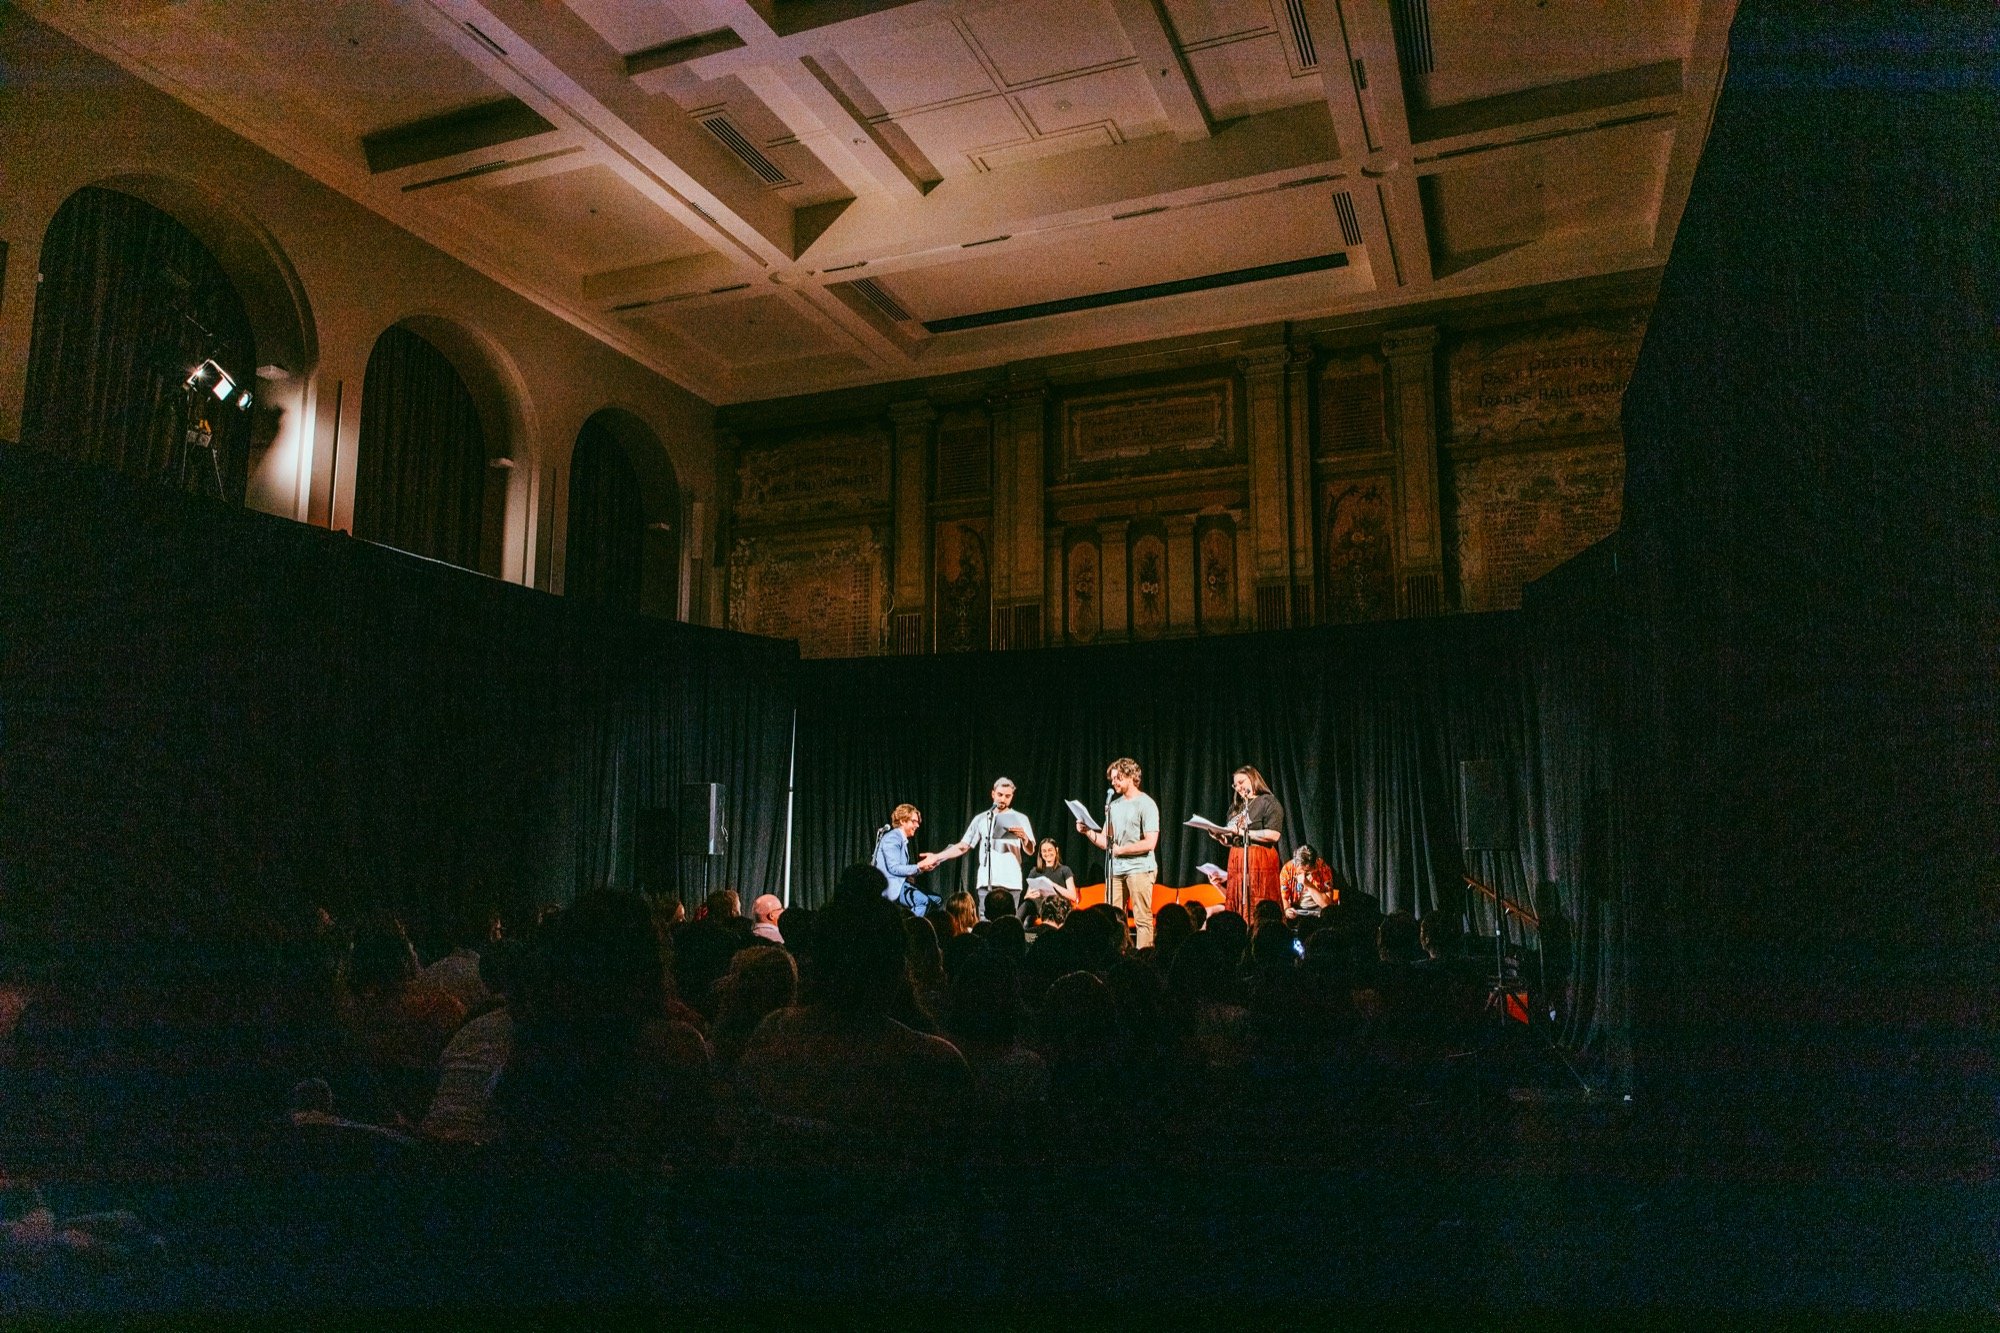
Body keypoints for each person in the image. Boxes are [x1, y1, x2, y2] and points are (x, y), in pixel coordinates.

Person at [1077, 757, 1160, 949]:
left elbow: (1150, 842)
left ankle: (1143, 957)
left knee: (1141, 917)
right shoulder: (1113, 805)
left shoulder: (1146, 804)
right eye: (1112, 779)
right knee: (1112, 917)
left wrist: (1121, 850)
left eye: (1117, 778)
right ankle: (1116, 955)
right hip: (1116, 869)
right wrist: (1087, 832)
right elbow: (1107, 841)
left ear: (1130, 776)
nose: (1113, 782)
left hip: (1140, 868)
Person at [929, 778, 1034, 919]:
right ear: (993, 794)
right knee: (985, 922)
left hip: (1011, 881)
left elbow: (1030, 850)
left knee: (1008, 923)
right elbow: (963, 846)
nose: (1003, 799)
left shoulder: (1020, 818)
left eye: (1007, 796)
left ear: (1012, 797)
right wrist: (937, 857)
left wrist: (1024, 838)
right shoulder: (981, 819)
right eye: (1000, 795)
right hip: (987, 882)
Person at [1205, 765, 1283, 917]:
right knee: (1238, 899)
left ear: (1253, 779)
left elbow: (1274, 835)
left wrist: (1241, 832)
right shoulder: (1237, 807)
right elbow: (1233, 839)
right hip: (1237, 858)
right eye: (1236, 785)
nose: (1238, 787)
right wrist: (1221, 837)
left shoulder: (1268, 802)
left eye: (1242, 782)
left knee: (1258, 898)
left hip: (1259, 857)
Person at [872, 803, 941, 916]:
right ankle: (907, 930)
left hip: (901, 883)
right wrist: (919, 866)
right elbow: (894, 868)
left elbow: (900, 868)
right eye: (914, 821)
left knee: (936, 900)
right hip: (891, 887)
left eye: (918, 822)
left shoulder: (901, 839)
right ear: (903, 821)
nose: (917, 825)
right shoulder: (893, 838)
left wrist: (922, 869)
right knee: (923, 902)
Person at [1023, 837, 1078, 928]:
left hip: (1057, 906)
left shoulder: (1065, 870)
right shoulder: (1035, 871)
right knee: (1027, 908)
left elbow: (1073, 895)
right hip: (1039, 906)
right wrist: (1030, 895)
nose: (1047, 853)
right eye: (1044, 851)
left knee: (1050, 904)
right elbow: (1026, 896)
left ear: (1056, 850)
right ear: (1040, 853)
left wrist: (1053, 885)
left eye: (1050, 850)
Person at [1281, 843, 1337, 919]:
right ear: (1297, 864)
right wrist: (1287, 909)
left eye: (1308, 871)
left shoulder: (1323, 868)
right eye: (1303, 870)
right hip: (1297, 910)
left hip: (1318, 910)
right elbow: (1284, 897)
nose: (1305, 873)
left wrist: (1307, 884)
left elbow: (1326, 905)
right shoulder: (1288, 869)